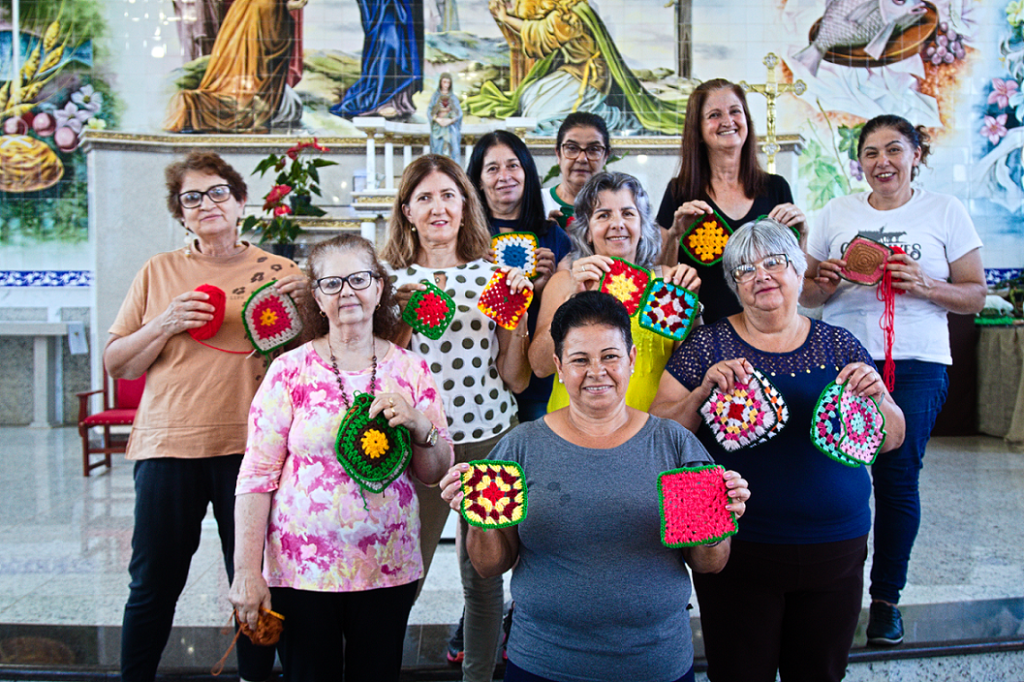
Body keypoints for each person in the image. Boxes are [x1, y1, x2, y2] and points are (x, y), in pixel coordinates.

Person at [439, 290, 750, 682]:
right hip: (542, 662)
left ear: (631, 360)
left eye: (610, 356)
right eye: (580, 360)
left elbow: (710, 563)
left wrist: (721, 516)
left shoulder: (675, 444)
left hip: (656, 664)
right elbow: (489, 565)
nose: (596, 371)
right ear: (559, 365)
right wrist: (478, 514)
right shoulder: (519, 447)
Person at [650, 218, 906, 682]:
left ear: (799, 270)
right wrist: (702, 392)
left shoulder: (839, 342)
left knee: (821, 674)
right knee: (739, 673)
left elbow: (892, 437)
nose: (762, 274)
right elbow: (660, 433)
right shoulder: (705, 346)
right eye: (746, 269)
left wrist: (878, 400)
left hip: (837, 545)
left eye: (775, 262)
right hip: (733, 548)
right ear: (733, 284)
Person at [106, 151, 307, 682]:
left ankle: (253, 677)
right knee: (153, 581)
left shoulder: (282, 273)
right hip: (167, 446)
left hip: (254, 453)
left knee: (255, 579)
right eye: (191, 197)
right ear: (181, 213)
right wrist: (165, 322)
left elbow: (310, 357)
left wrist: (308, 302)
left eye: (218, 192)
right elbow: (116, 361)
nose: (206, 204)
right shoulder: (159, 271)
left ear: (241, 202)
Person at [229, 234, 454, 681]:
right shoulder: (289, 370)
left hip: (387, 566)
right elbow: (256, 475)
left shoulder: (411, 369)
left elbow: (434, 474)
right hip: (302, 570)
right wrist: (245, 572)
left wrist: (417, 424)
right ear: (316, 296)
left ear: (379, 287)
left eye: (359, 278)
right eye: (332, 283)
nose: (347, 292)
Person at [800, 114, 985, 646]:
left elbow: (973, 295)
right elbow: (807, 295)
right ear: (859, 162)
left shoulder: (944, 211)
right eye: (871, 152)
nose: (882, 161)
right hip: (843, 361)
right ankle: (831, 590)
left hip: (917, 363)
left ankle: (885, 600)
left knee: (897, 477)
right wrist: (826, 280)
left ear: (915, 155)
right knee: (836, 475)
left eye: (894, 150)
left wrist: (927, 285)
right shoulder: (837, 213)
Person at [381, 154, 534, 682]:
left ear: (465, 204)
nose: (437, 207)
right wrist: (399, 313)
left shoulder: (492, 275)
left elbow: (514, 378)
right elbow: (379, 367)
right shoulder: (387, 279)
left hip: (492, 440)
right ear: (407, 211)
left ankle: (478, 676)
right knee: (404, 572)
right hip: (417, 446)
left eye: (448, 195)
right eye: (424, 198)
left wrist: (517, 319)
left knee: (485, 575)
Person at [530, 171, 700, 413]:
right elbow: (539, 366)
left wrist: (694, 306)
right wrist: (571, 302)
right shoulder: (565, 281)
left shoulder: (664, 281)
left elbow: (691, 366)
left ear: (642, 226)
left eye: (628, 213)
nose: (617, 224)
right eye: (603, 215)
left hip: (647, 429)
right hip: (572, 431)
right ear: (587, 230)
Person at [656, 78, 807, 323]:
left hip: (767, 331)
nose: (728, 121)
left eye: (735, 111)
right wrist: (674, 234)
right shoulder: (680, 192)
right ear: (699, 130)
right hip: (702, 333)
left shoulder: (776, 188)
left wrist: (804, 233)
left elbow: (796, 273)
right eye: (714, 115)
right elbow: (661, 276)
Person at [467, 129, 572, 421]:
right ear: (477, 179)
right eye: (492, 168)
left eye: (513, 165)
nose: (505, 176)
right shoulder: (464, 239)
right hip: (476, 380)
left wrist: (543, 290)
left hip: (540, 384)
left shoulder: (553, 235)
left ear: (526, 171)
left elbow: (569, 309)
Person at [468, 0, 686, 134]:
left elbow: (539, 34)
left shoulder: (568, 16)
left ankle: (613, 116)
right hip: (573, 70)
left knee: (538, 113)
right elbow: (537, 30)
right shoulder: (567, 10)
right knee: (529, 98)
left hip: (589, 78)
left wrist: (505, 17)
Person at [165, 0, 309, 133]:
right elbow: (272, 53)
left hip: (239, 83)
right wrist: (287, 10)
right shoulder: (270, 6)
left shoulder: (244, 4)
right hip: (251, 89)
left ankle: (193, 104)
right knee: (247, 108)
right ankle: (194, 105)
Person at [331, 0, 423, 118]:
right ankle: (381, 99)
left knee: (398, 49)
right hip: (381, 11)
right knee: (388, 46)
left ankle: (395, 101)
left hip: (398, 10)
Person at [541, 112, 611, 230]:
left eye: (593, 149)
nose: (582, 159)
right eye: (572, 148)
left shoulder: (616, 208)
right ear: (558, 154)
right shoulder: (537, 202)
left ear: (605, 156)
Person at [429, 72, 463, 164]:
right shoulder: (435, 97)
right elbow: (430, 111)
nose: (446, 85)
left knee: (454, 150)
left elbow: (459, 113)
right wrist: (437, 120)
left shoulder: (453, 98)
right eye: (444, 82)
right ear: (440, 83)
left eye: (448, 82)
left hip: (450, 127)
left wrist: (450, 120)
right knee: (437, 152)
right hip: (438, 128)